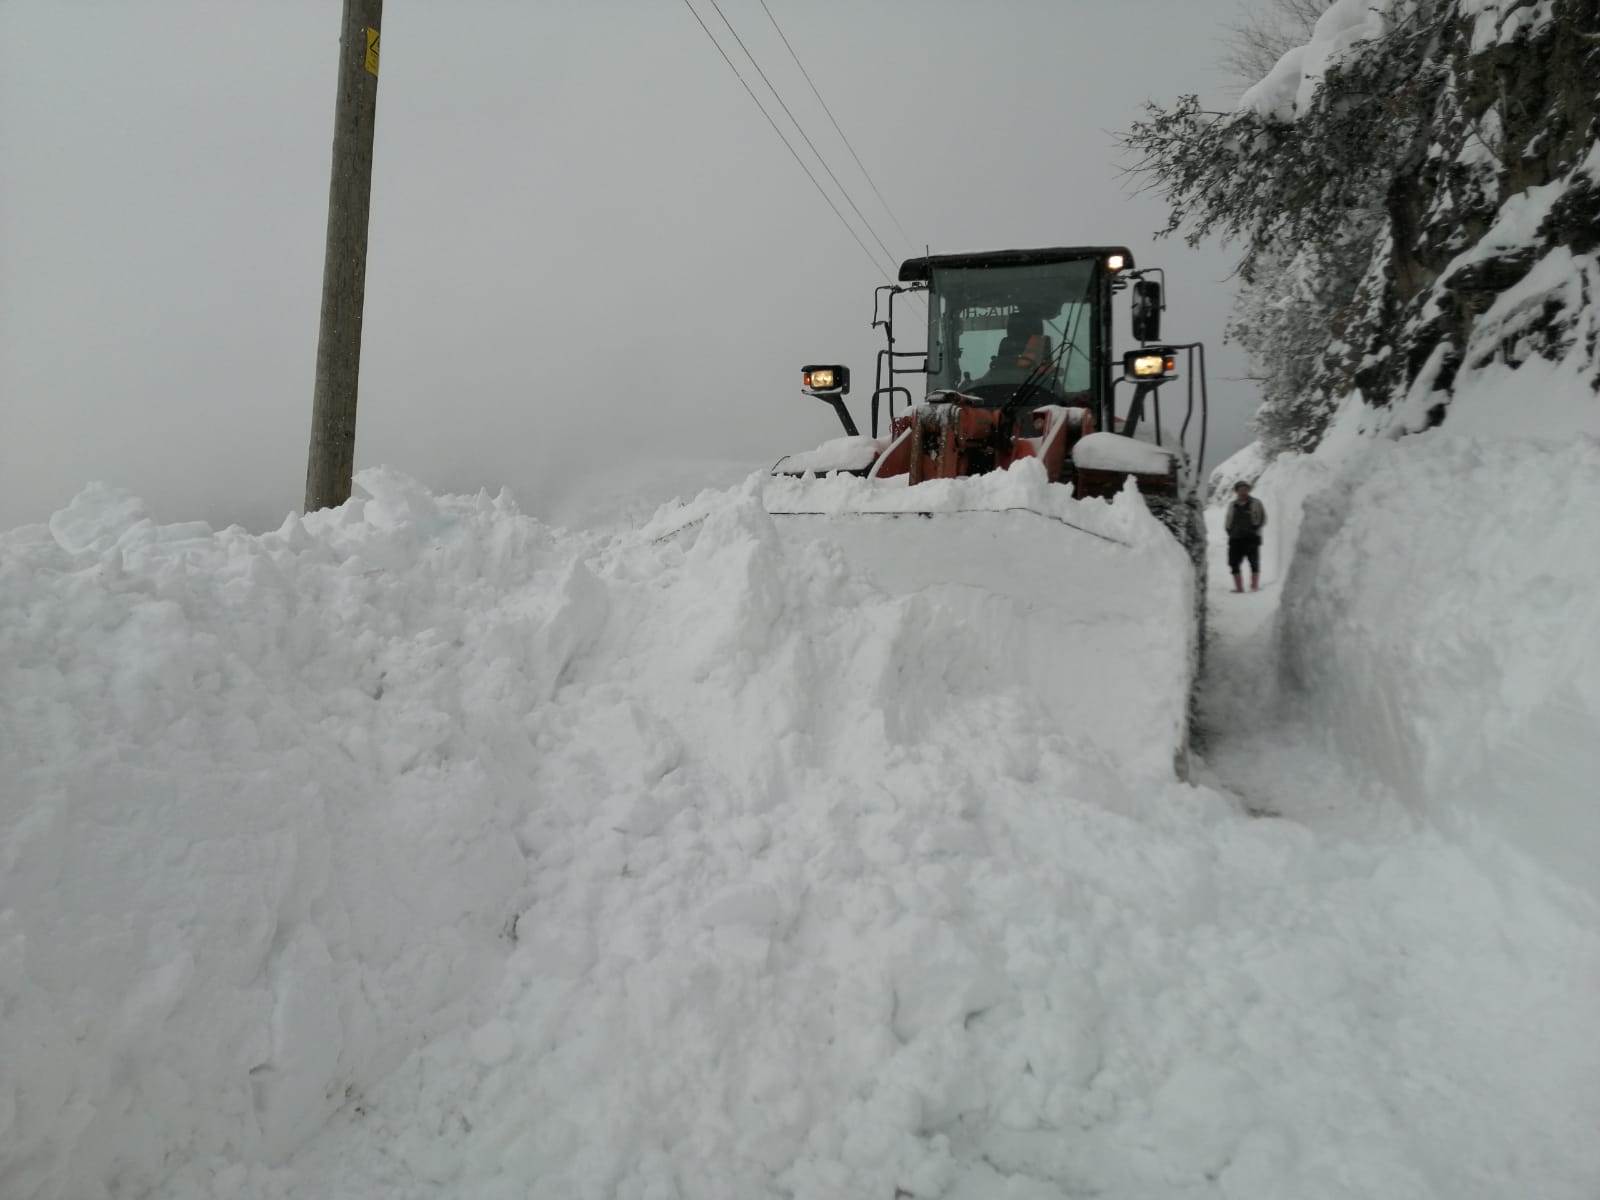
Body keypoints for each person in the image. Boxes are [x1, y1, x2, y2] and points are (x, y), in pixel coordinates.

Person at [1225, 480, 1267, 592]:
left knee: (1254, 562)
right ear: (1236, 491)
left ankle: (1254, 586)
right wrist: (1229, 531)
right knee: (1233, 563)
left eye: (1245, 489)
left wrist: (1255, 528)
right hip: (1235, 538)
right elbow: (1228, 520)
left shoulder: (1256, 503)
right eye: (1240, 489)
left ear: (1248, 490)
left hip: (1252, 538)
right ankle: (1239, 588)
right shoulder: (1232, 505)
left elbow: (1263, 518)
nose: (1243, 491)